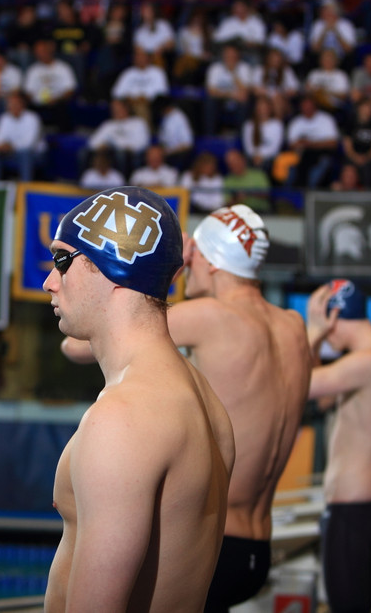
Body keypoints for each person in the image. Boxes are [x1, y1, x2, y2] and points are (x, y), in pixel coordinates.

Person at [61, 203, 311, 612]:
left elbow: (86, 341)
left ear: (208, 259)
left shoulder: (213, 317)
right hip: (259, 544)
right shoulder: (293, 328)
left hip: (212, 546)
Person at [43, 186, 235, 612]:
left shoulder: (123, 419)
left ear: (113, 268)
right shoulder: (203, 398)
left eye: (62, 260)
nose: (49, 282)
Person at [305, 280, 371, 613]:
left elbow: (300, 383)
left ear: (333, 316)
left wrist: (312, 331)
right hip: (359, 506)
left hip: (351, 508)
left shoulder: (370, 362)